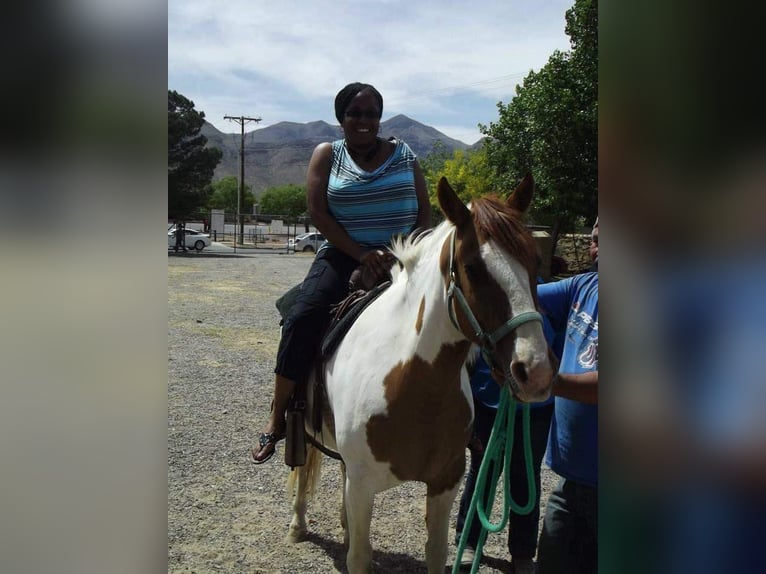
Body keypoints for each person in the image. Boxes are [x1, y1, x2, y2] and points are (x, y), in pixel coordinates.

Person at [251, 82, 431, 464]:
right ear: (341, 118)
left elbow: (424, 213)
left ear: (379, 118)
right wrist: (362, 254)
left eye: (371, 114)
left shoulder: (405, 154)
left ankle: (464, 419)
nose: (364, 121)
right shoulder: (326, 154)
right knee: (302, 317)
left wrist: (407, 253)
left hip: (402, 256)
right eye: (355, 113)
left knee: (451, 312)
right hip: (342, 256)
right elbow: (318, 212)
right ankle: (278, 416)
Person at [535, 218, 599, 574]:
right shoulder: (583, 286)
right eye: (594, 241)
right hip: (571, 483)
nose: (598, 250)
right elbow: (520, 294)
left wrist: (549, 381)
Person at [454, 353, 554, 574]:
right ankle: (469, 541)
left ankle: (523, 552)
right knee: (483, 472)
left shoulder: (556, 315)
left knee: (526, 475)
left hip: (535, 406)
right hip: (488, 398)